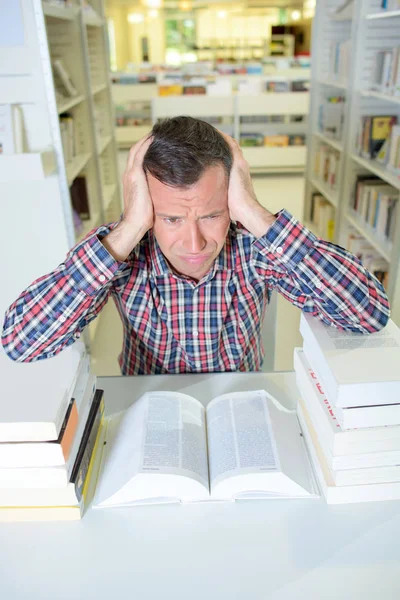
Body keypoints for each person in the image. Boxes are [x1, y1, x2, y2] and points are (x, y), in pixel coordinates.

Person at [2, 117, 390, 374]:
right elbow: (21, 343)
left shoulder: (253, 245)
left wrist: (253, 213)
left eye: (210, 215)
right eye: (171, 218)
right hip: (146, 406)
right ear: (147, 206)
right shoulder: (120, 249)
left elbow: (369, 314)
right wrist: (131, 226)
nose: (195, 243)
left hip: (241, 403)